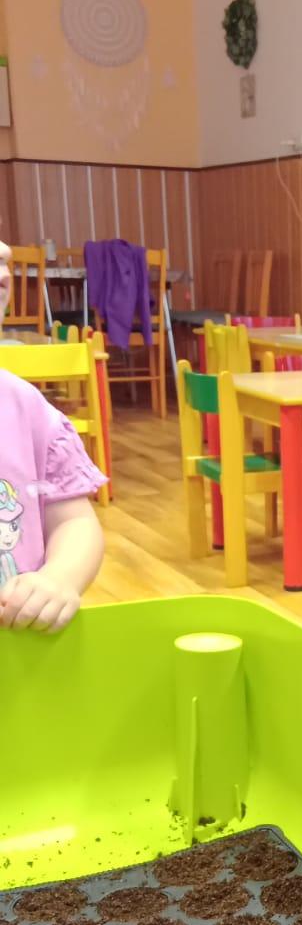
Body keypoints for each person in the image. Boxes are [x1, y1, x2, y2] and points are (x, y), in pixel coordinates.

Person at [0, 241, 106, 632]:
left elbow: (73, 522)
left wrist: (59, 578)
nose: (5, 251)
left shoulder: (28, 410)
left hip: (22, 649)